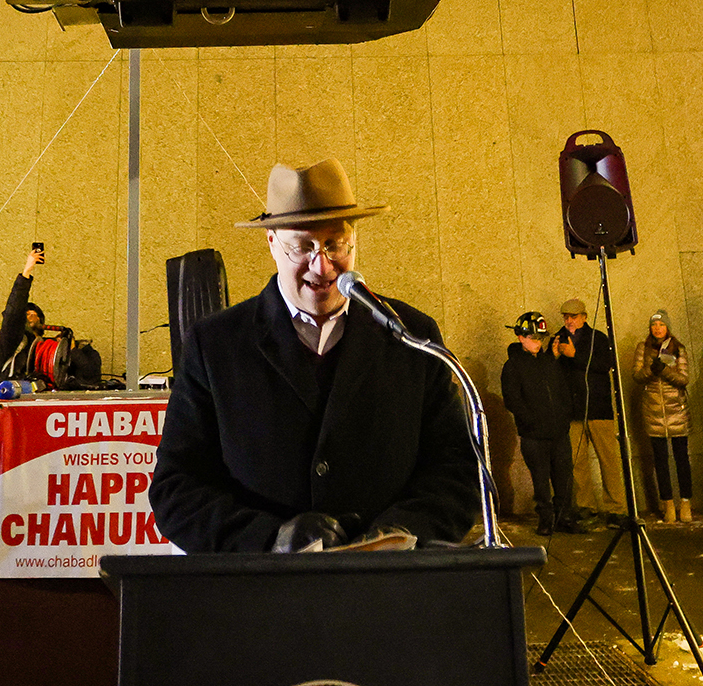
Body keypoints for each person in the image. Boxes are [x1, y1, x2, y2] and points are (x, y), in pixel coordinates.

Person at [150, 159, 478, 552]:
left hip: (387, 590)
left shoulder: (412, 336)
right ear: (271, 243)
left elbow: (456, 470)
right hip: (264, 595)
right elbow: (177, 488)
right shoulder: (216, 345)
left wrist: (397, 534)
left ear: (354, 240)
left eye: (334, 244)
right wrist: (271, 540)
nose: (321, 266)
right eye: (301, 246)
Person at [501, 311, 585, 535]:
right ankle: (546, 519)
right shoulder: (513, 366)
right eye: (533, 338)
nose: (538, 343)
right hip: (534, 434)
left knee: (563, 476)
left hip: (558, 431)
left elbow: (561, 391)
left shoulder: (549, 362)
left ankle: (565, 516)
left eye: (540, 339)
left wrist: (565, 415)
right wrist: (530, 421)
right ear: (521, 338)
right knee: (540, 480)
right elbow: (512, 399)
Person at [553, 298, 621, 516]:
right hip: (572, 412)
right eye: (566, 317)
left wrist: (575, 356)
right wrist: (552, 357)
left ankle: (616, 508)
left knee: (609, 461)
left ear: (583, 316)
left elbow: (605, 365)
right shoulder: (558, 339)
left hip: (599, 410)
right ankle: (585, 507)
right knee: (577, 464)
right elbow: (548, 373)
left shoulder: (598, 338)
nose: (569, 321)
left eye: (573, 317)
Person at [633, 309, 691, 524]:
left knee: (682, 459)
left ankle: (685, 502)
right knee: (660, 461)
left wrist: (664, 370)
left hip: (677, 409)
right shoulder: (644, 348)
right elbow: (637, 376)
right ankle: (667, 503)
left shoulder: (678, 348)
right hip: (654, 411)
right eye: (654, 325)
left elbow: (684, 379)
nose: (657, 328)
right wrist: (651, 369)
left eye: (661, 325)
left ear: (668, 328)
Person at [0, 245, 48, 383]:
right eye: (26, 314)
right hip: (11, 395)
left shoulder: (44, 346)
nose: (30, 316)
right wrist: (26, 273)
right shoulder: (13, 339)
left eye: (34, 314)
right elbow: (13, 312)